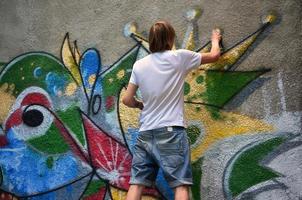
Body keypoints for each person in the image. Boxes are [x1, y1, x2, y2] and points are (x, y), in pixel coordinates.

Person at [122, 20, 221, 200]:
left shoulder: (139, 65)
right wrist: (215, 39)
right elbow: (214, 56)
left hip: (145, 133)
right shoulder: (179, 57)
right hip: (171, 132)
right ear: (170, 38)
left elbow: (127, 100)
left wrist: (138, 104)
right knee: (180, 185)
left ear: (152, 40)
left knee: (136, 184)